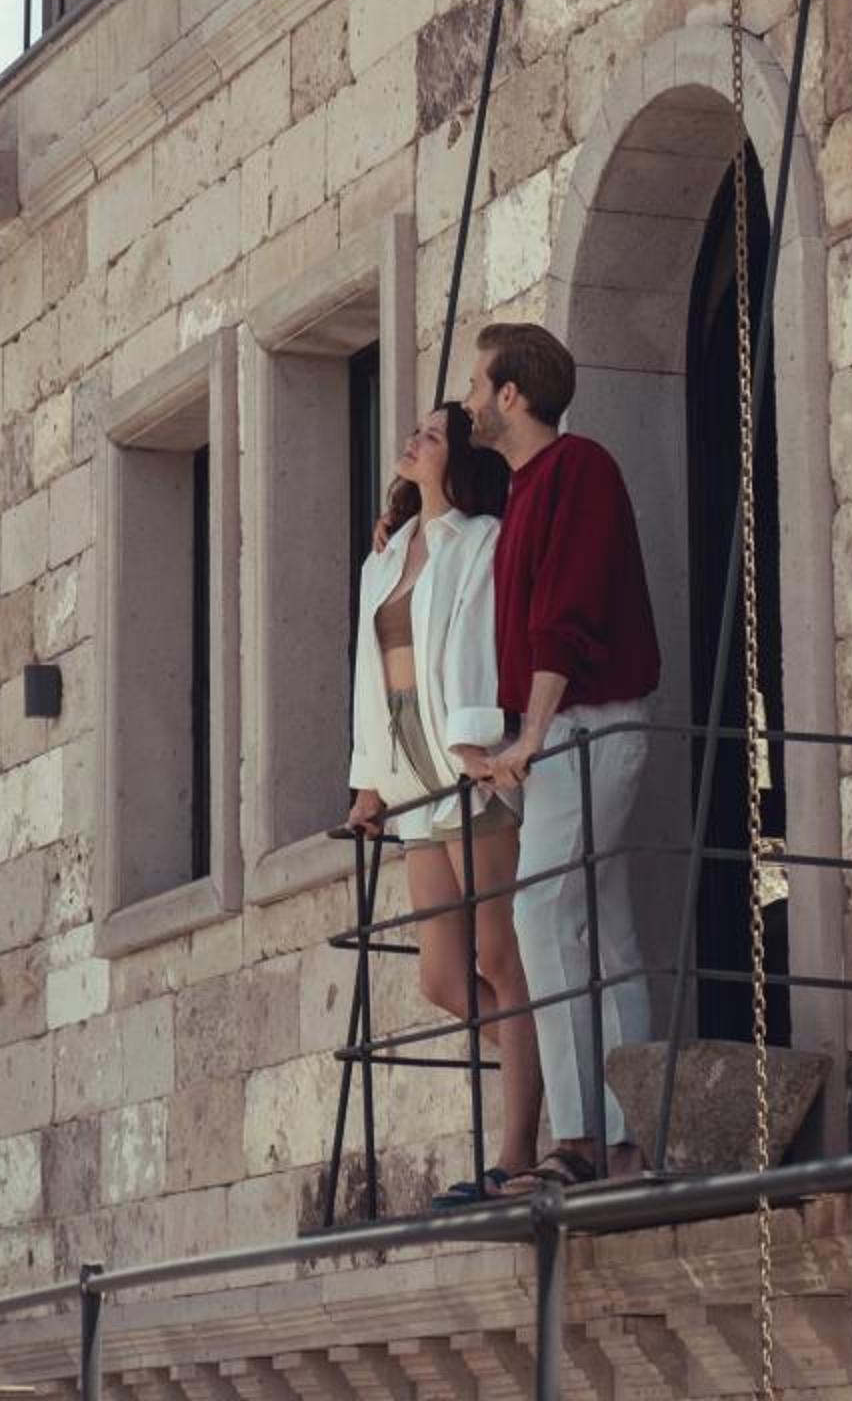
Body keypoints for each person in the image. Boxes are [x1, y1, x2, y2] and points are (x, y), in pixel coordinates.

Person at [454, 321, 664, 1191]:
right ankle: (626, 1134)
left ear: (511, 395)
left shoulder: (578, 470)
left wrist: (532, 734)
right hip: (568, 731)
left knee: (543, 915)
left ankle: (579, 1139)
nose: (467, 400)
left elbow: (565, 617)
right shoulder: (527, 490)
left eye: (477, 385)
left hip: (587, 724)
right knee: (603, 928)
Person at [341, 403, 542, 1203]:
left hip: (467, 758)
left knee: (500, 958)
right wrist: (365, 781)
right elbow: (370, 669)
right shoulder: (383, 560)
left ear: (456, 459)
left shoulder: (480, 538)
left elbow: (480, 646)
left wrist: (477, 742)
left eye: (433, 434)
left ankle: (519, 1147)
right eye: (414, 428)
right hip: (407, 765)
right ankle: (555, 1062)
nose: (413, 438)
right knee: (441, 978)